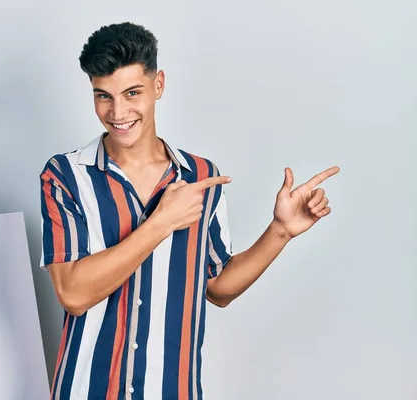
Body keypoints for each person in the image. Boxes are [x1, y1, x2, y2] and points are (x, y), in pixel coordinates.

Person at [38, 22, 339, 400]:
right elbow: (73, 293)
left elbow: (219, 288)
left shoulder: (201, 177)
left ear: (158, 85)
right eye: (103, 96)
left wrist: (280, 231)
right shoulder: (65, 176)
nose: (118, 112)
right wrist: (162, 222)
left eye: (133, 93)